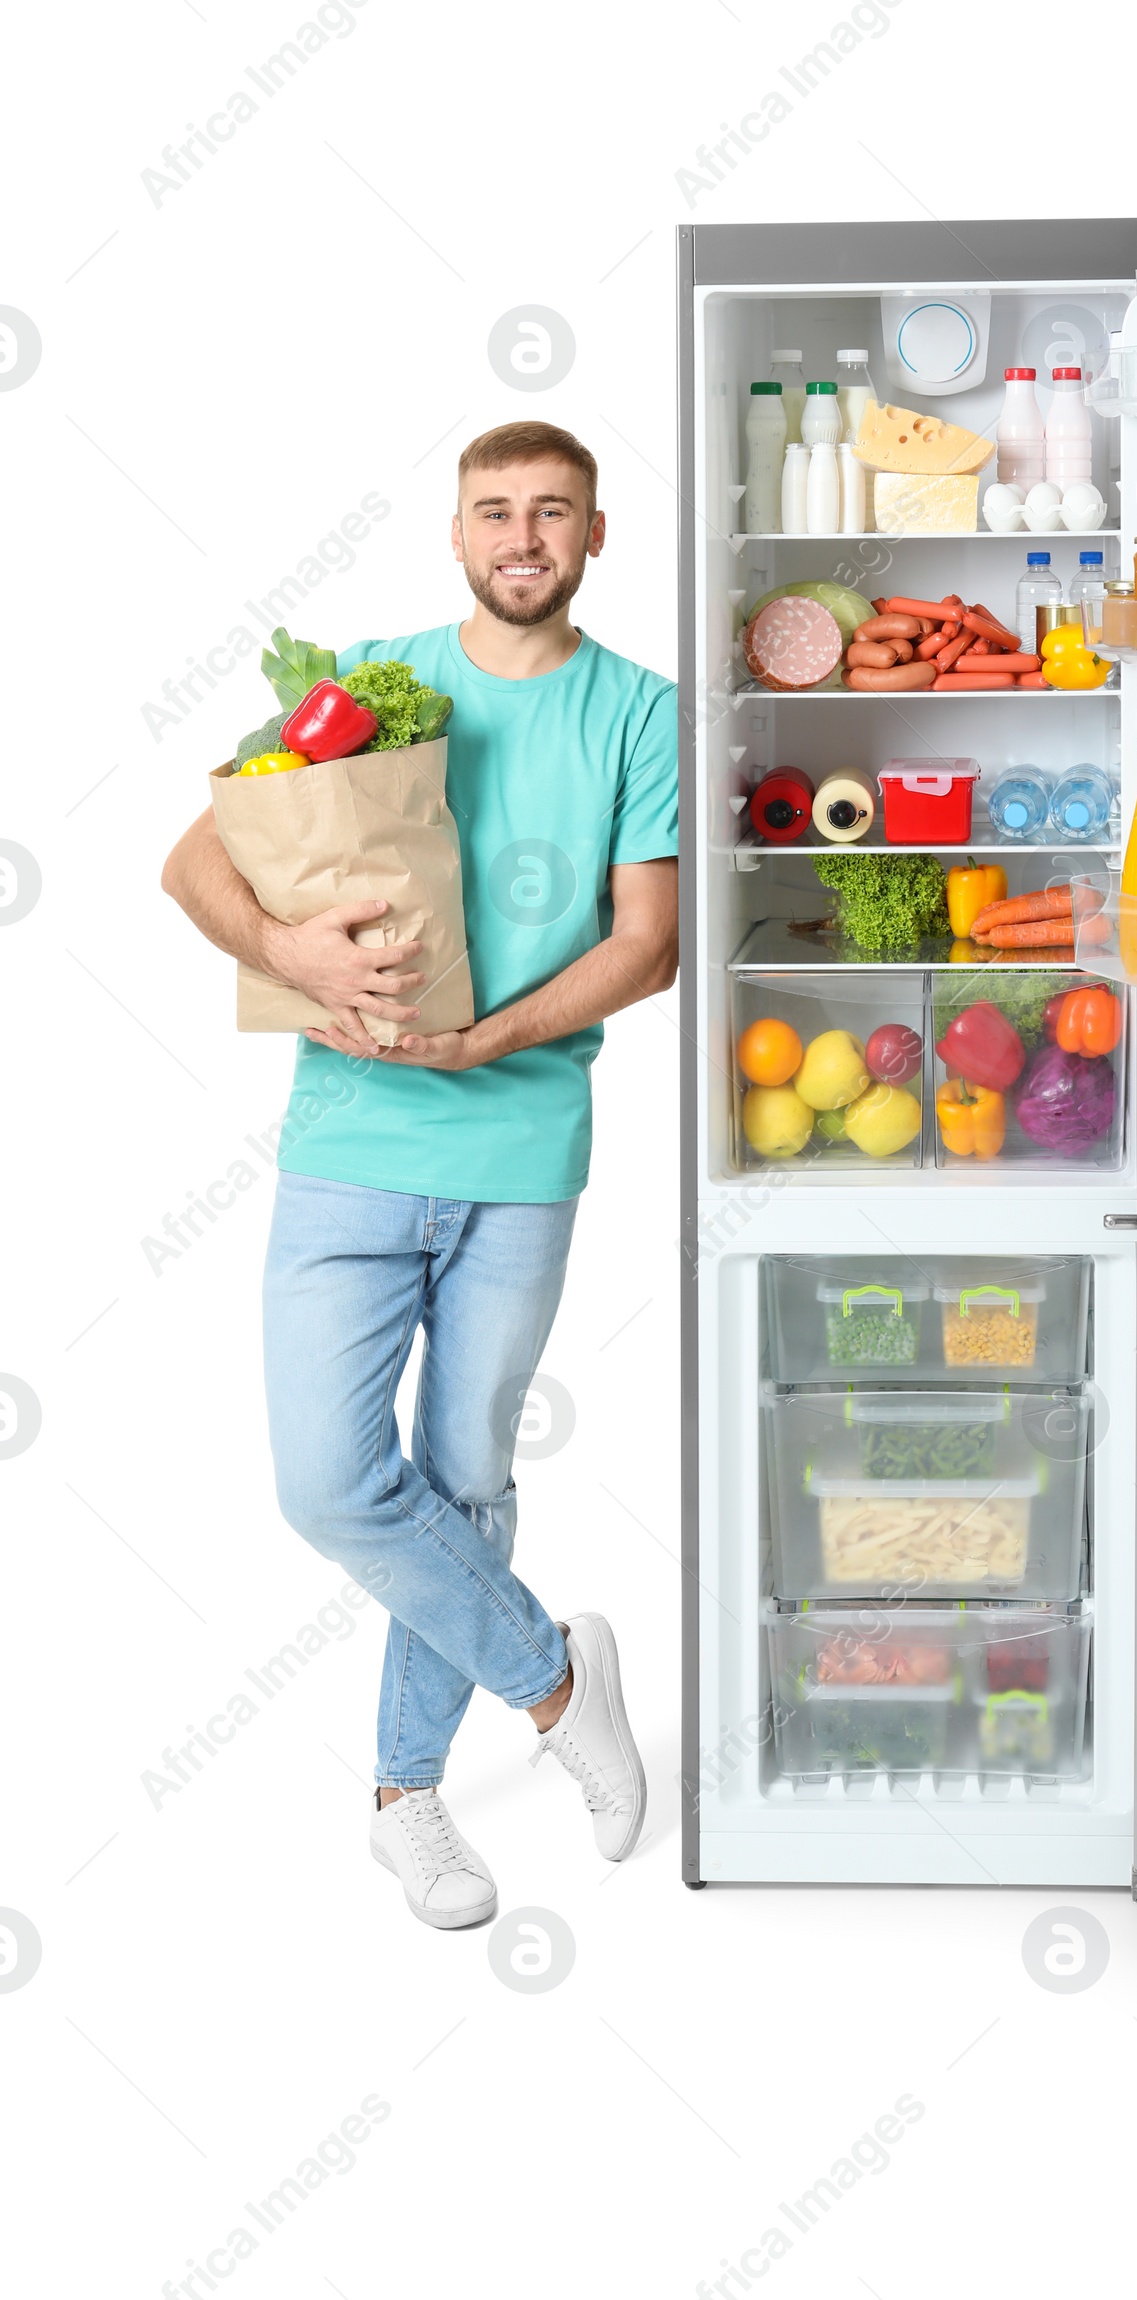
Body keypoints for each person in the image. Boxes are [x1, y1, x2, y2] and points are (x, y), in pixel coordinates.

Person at [161, 419, 678, 1928]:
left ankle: (406, 1799)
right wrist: (278, 945)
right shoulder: (373, 685)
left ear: (595, 536)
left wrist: (489, 1040)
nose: (523, 536)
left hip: (523, 1154)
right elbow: (198, 857)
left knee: (462, 1480)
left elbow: (645, 946)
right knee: (330, 1484)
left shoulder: (637, 712)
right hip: (352, 1145)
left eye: (553, 513)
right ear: (457, 536)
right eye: (494, 512)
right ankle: (559, 1679)